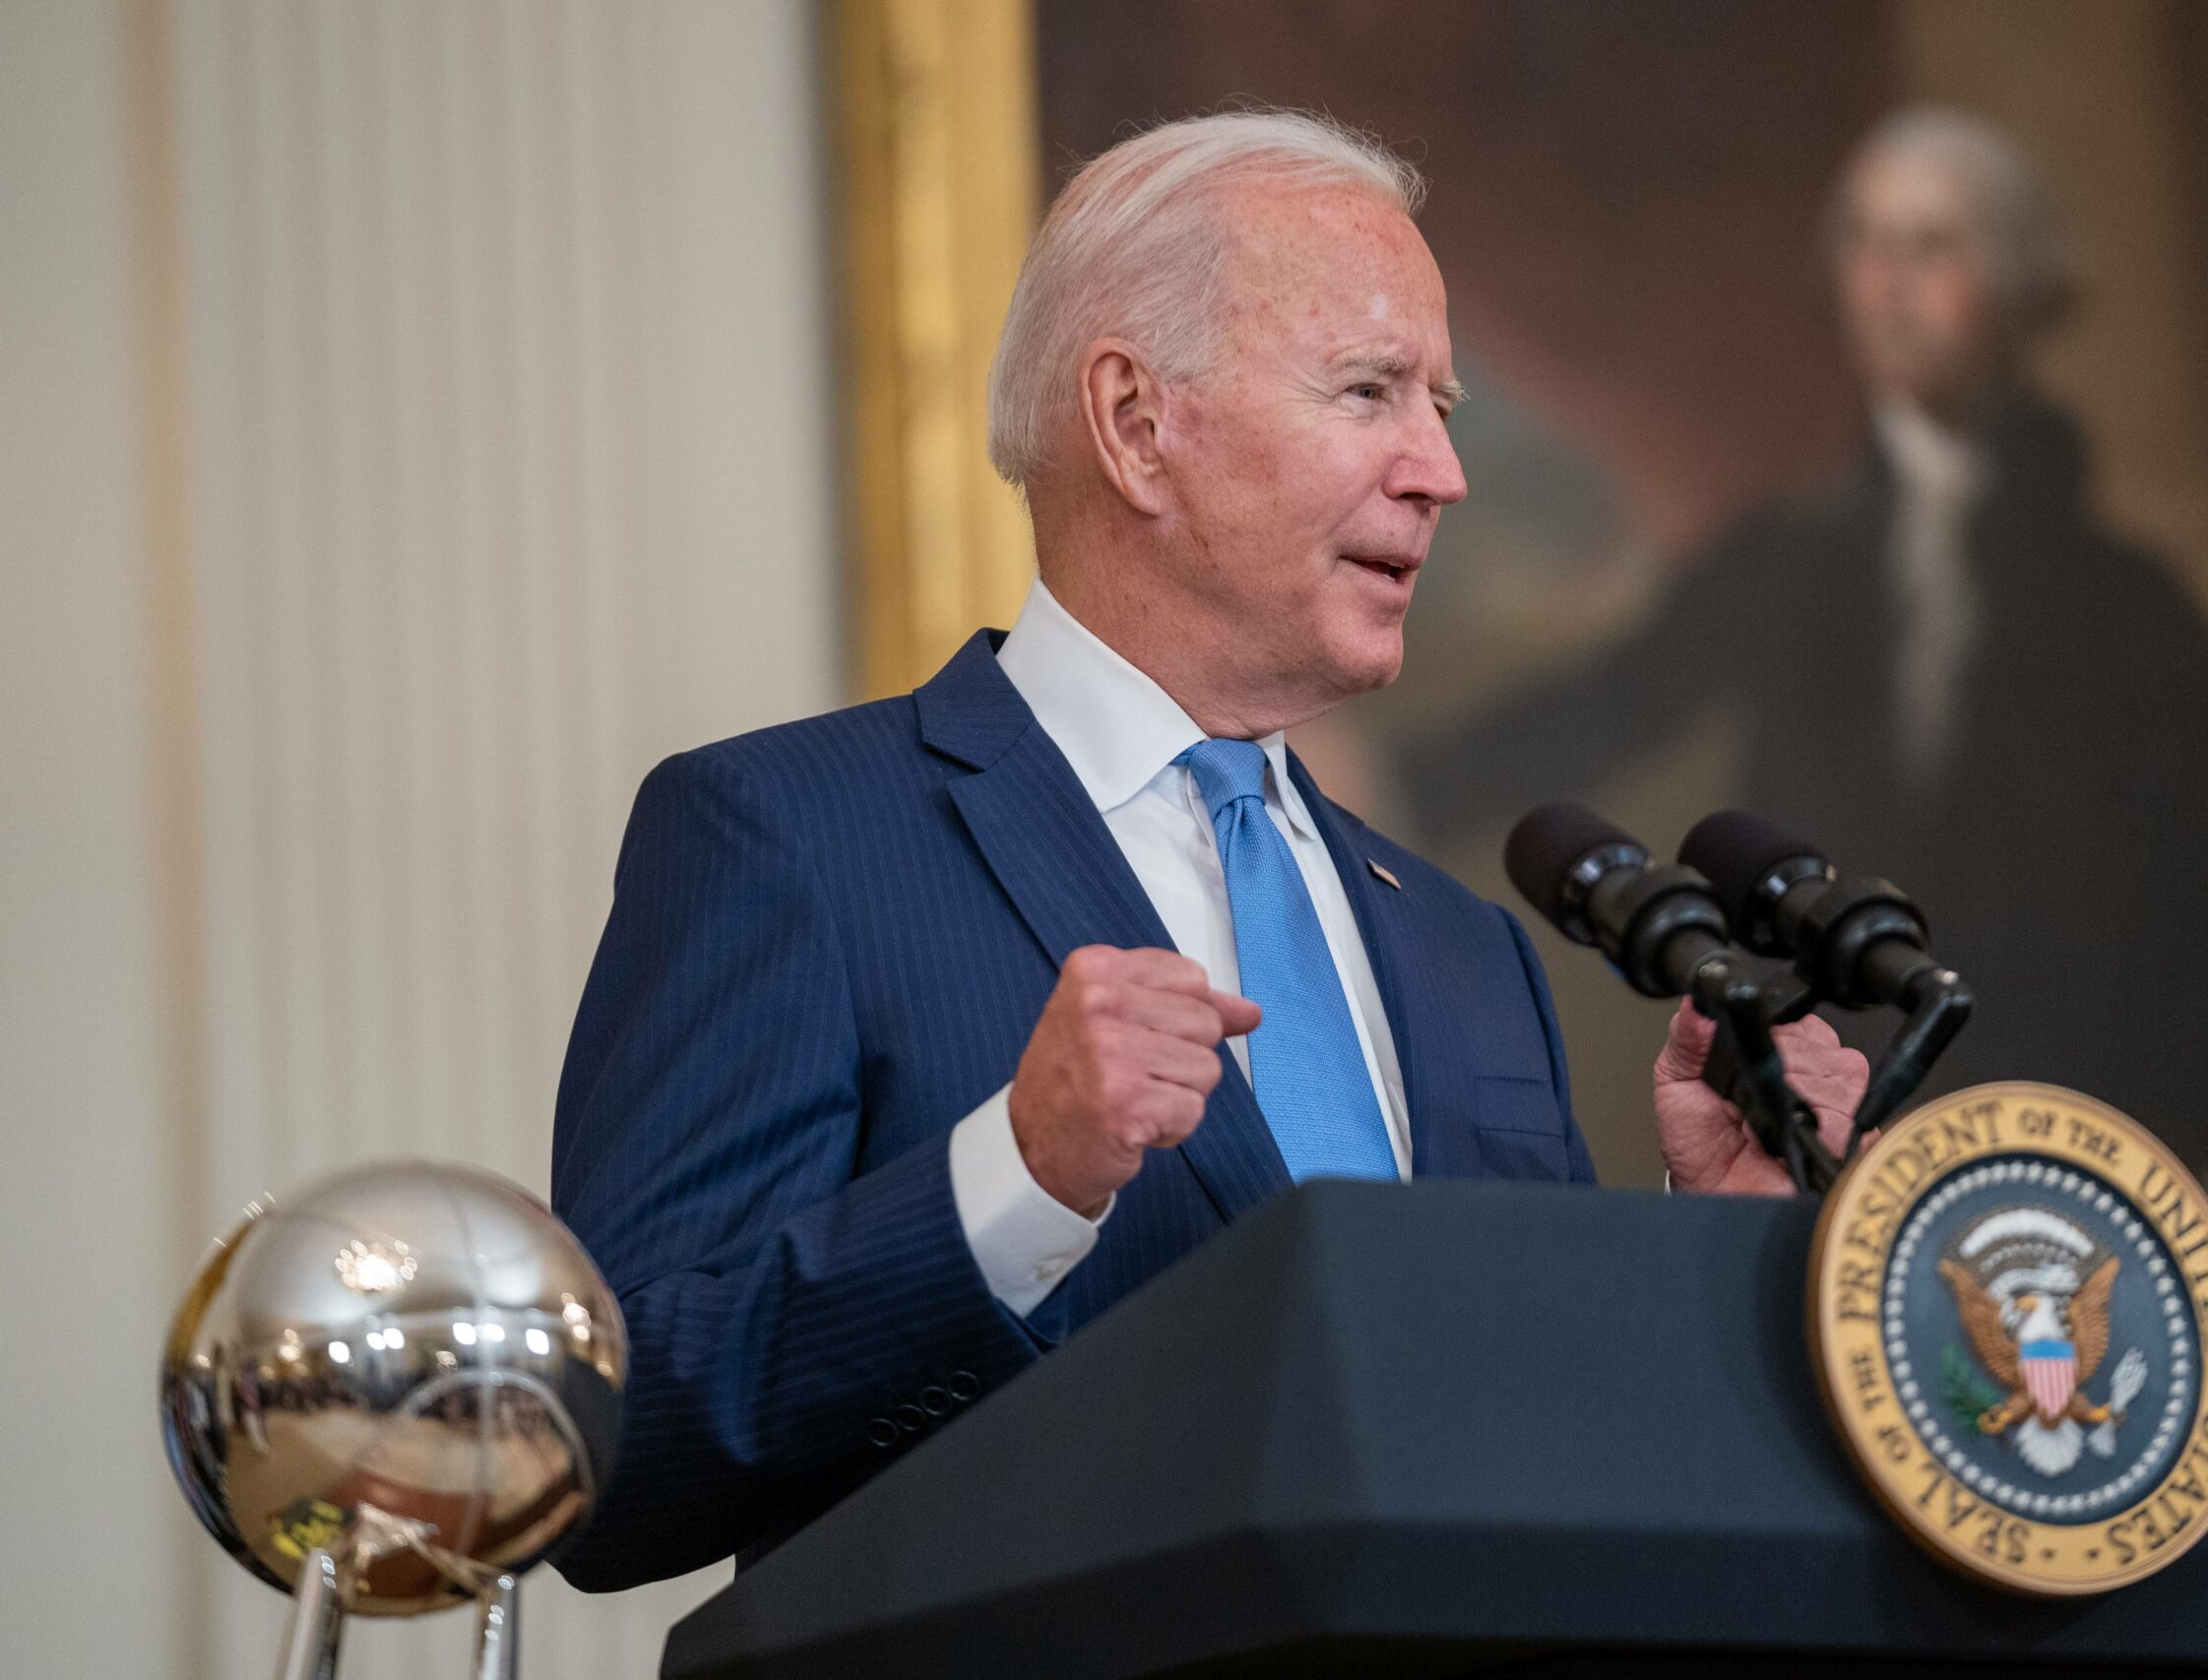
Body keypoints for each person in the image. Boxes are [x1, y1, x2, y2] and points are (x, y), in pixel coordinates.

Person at [548, 111, 1863, 1592]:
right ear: (1134, 422)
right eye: (1371, 391)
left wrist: (1713, 1244)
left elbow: (1528, 1450)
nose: (1444, 469)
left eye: (1440, 402)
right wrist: (1018, 1176)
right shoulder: (791, 835)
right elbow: (606, 1452)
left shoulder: (1460, 942)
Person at [1406, 107, 2208, 1201]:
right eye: (1866, 246)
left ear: (2020, 288)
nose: (1886, 286)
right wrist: (1398, 784)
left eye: (1931, 249)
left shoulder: (2133, 608)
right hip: (1832, 1128)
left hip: (2079, 1141)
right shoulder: (1788, 559)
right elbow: (1613, 701)